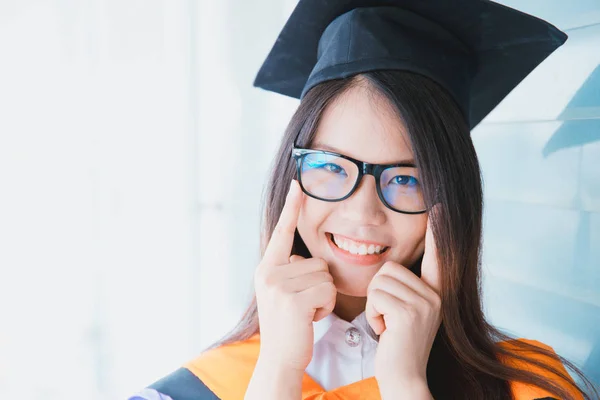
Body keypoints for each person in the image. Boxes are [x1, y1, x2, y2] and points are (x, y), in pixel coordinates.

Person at [130, 0, 599, 399]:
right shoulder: (194, 389)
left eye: (407, 179)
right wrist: (276, 371)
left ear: (452, 201)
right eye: (331, 167)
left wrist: (407, 384)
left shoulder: (531, 387)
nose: (363, 214)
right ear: (289, 176)